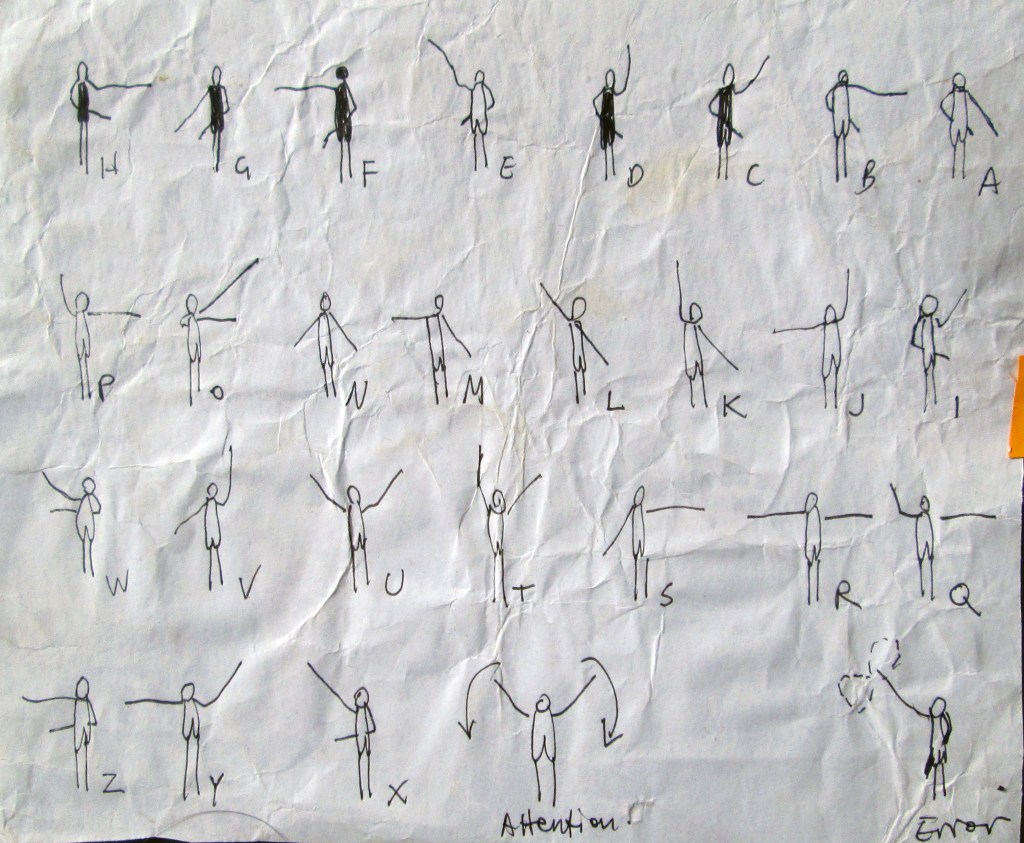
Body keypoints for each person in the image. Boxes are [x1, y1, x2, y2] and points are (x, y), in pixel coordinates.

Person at [125, 662, 242, 801]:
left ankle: (191, 790)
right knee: (190, 764)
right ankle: (189, 791)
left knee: (193, 763)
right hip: (191, 739)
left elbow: (200, 712)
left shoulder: (192, 705)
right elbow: (189, 720)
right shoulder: (188, 706)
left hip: (193, 739)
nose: (187, 694)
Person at [494, 678, 593, 806]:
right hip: (538, 748)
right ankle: (543, 797)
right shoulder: (538, 715)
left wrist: (587, 683)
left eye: (543, 701)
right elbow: (515, 705)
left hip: (547, 749)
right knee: (541, 767)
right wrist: (500, 685)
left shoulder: (546, 715)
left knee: (549, 767)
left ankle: (550, 798)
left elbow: (568, 705)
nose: (541, 703)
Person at [310, 469, 403, 592]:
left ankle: (362, 580)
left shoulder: (355, 508)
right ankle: (356, 582)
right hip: (355, 534)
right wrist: (315, 479)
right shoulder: (351, 508)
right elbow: (330, 499)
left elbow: (376, 503)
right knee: (355, 556)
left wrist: (395, 477)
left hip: (360, 533)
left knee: (359, 555)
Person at [475, 446, 541, 606]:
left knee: (499, 562)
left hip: (499, 545)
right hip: (496, 544)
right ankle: (498, 595)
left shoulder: (497, 514)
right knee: (497, 561)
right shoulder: (493, 514)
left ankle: (500, 595)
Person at [275, 65, 358, 182]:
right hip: (340, 118)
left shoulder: (344, 88)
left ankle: (347, 174)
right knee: (343, 148)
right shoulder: (340, 88)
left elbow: (354, 107)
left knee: (346, 147)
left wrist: (345, 121)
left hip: (344, 119)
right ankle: (343, 175)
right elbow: (316, 87)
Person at [823, 70, 906, 181]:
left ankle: (843, 171)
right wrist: (835, 111)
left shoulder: (844, 90)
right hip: (839, 119)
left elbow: (840, 105)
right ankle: (839, 172)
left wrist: (838, 112)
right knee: (839, 143)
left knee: (842, 143)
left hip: (844, 119)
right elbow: (828, 100)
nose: (845, 80)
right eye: (844, 78)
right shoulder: (836, 90)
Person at [392, 295, 471, 404]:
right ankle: (440, 397)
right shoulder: (434, 317)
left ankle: (441, 397)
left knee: (439, 369)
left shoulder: (438, 319)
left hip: (438, 354)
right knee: (437, 370)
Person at [22, 676, 98, 790]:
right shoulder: (79, 703)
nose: (81, 691)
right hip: (79, 733)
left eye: (82, 689)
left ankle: (83, 784)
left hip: (84, 733)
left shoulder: (85, 703)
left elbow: (92, 721)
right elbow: (89, 720)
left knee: (83, 757)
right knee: (79, 757)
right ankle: (80, 784)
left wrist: (86, 727)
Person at [174, 447, 233, 590]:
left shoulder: (213, 503)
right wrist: (181, 523)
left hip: (214, 532)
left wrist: (230, 462)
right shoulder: (206, 504)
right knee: (212, 556)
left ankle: (218, 580)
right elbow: (195, 512)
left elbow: (225, 498)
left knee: (215, 555)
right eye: (211, 490)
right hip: (211, 532)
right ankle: (212, 581)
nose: (212, 492)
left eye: (213, 490)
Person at [539, 284, 608, 404]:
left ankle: (584, 390)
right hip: (576, 351)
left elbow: (585, 337)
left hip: (580, 351)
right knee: (577, 370)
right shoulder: (572, 324)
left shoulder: (577, 324)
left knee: (582, 369)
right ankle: (578, 391)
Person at [708, 57, 768, 179]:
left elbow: (741, 90)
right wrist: (724, 120)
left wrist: (756, 75)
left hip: (727, 123)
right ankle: (720, 172)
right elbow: (711, 106)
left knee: (727, 145)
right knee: (721, 147)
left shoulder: (731, 91)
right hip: (722, 124)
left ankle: (725, 173)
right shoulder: (721, 92)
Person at [910, 291, 965, 412]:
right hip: (927, 354)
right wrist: (928, 350)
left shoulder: (931, 321)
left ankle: (933, 403)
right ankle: (928, 404)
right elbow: (915, 341)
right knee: (928, 377)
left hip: (930, 353)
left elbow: (940, 325)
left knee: (931, 377)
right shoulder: (922, 321)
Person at [295, 292, 357, 397]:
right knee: (324, 361)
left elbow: (340, 328)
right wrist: (300, 341)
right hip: (322, 343)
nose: (324, 302)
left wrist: (350, 343)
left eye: (326, 300)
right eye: (323, 301)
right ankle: (327, 384)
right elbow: (310, 328)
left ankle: (332, 383)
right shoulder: (320, 317)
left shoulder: (330, 316)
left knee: (330, 361)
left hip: (328, 343)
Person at [939, 73, 997, 179]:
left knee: (960, 147)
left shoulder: (963, 94)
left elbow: (943, 105)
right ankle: (956, 174)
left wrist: (953, 119)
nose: (960, 89)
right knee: (958, 147)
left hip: (961, 125)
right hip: (959, 125)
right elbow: (942, 105)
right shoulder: (957, 95)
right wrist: (952, 119)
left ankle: (959, 173)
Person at [42, 472, 101, 576]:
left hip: (87, 526)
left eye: (85, 487)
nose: (84, 489)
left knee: (87, 548)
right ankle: (87, 570)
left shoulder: (89, 498)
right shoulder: (85, 499)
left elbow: (97, 508)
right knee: (86, 548)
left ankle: (88, 571)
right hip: (84, 526)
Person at [175, 65, 231, 172]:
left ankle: (217, 163)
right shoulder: (211, 89)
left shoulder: (221, 89)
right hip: (214, 118)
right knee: (215, 139)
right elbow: (202, 102)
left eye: (217, 76)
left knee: (218, 140)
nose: (216, 78)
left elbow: (227, 106)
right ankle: (215, 163)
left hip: (219, 119)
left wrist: (221, 113)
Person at [591, 46, 631, 180]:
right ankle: (607, 172)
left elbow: (622, 90)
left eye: (611, 80)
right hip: (605, 121)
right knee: (605, 144)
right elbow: (594, 101)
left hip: (611, 120)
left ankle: (612, 169)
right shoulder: (604, 92)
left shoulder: (611, 92)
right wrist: (599, 114)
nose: (610, 82)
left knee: (611, 143)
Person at [890, 485, 936, 599]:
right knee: (923, 564)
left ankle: (929, 592)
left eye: (925, 502)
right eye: (923, 502)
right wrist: (895, 494)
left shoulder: (926, 517)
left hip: (927, 542)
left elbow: (930, 534)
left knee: (928, 564)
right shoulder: (921, 517)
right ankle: (924, 591)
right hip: (922, 542)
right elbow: (901, 512)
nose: (924, 504)